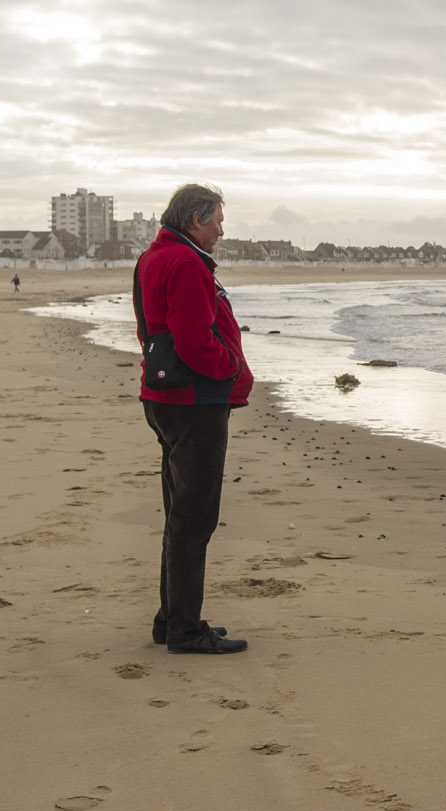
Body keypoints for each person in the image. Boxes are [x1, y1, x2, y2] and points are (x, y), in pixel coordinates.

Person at [135, 183, 253, 655]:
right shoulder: (183, 262)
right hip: (193, 401)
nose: (222, 230)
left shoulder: (154, 256)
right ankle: (184, 629)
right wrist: (230, 366)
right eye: (217, 220)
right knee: (194, 517)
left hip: (167, 397)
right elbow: (191, 340)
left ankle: (173, 619)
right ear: (194, 220)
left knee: (181, 513)